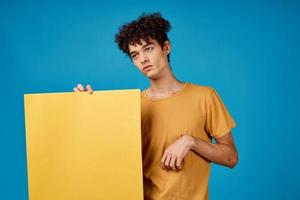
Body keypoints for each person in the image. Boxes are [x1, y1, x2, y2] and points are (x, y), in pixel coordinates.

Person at [73, 12, 238, 200]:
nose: (143, 59)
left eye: (148, 48)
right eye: (135, 55)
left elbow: (231, 157)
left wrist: (190, 141)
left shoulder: (205, 96)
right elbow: (103, 156)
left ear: (166, 47)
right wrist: (84, 108)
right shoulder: (131, 106)